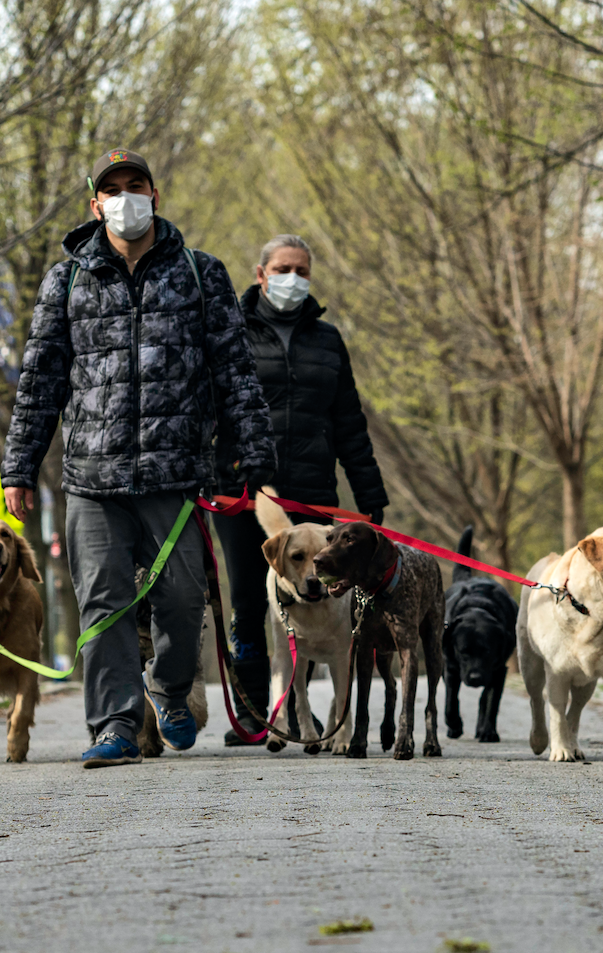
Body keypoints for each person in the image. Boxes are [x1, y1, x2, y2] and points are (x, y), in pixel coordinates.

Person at [1, 148, 275, 769]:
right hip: (91, 482)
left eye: (137, 185)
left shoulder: (201, 274)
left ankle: (172, 689)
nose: (127, 197)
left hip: (175, 476)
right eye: (113, 189)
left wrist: (255, 459)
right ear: (95, 205)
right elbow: (40, 380)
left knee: (181, 599)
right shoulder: (66, 279)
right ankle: (116, 725)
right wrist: (19, 467)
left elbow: (235, 374)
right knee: (104, 604)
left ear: (156, 195)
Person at [214, 234, 389, 744]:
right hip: (243, 489)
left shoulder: (327, 339)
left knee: (321, 596)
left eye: (302, 270)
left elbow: (349, 422)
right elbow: (215, 410)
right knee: (249, 598)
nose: (293, 278)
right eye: (283, 268)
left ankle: (300, 709)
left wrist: (369, 493)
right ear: (261, 273)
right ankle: (255, 711)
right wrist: (223, 467)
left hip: (313, 490)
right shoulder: (231, 332)